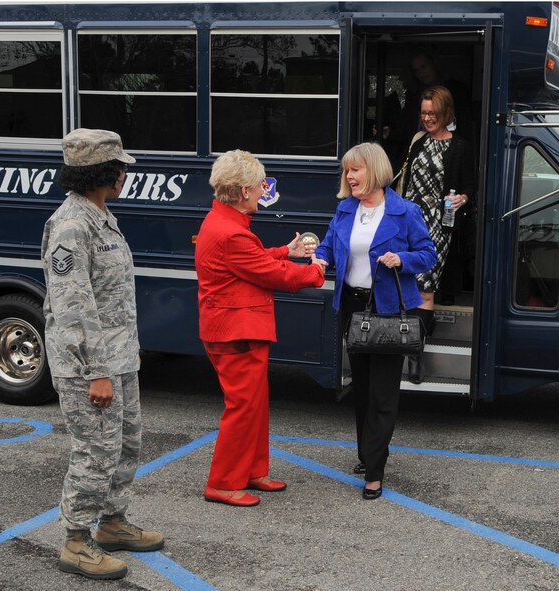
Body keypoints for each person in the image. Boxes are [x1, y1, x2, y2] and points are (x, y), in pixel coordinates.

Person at [42, 128, 164, 581]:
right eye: (120, 168)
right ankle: (76, 540)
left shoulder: (102, 216)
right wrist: (97, 371)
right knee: (96, 450)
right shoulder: (71, 225)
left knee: (126, 443)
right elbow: (74, 306)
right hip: (88, 366)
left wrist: (122, 360)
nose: (125, 175)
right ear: (104, 172)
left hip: (119, 359)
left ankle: (112, 523)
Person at [195, 149, 325, 507]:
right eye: (258, 186)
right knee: (242, 406)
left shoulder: (225, 224)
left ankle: (251, 472)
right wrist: (315, 271)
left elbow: (251, 262)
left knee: (254, 404)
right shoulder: (232, 233)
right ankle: (222, 483)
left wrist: (285, 250)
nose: (262, 191)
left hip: (236, 327)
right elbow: (270, 275)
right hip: (235, 331)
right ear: (241, 193)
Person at [312, 142, 436, 500]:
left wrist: (402, 259)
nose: (349, 176)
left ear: (376, 170)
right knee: (362, 388)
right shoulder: (345, 210)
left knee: (382, 392)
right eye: (347, 170)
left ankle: (375, 471)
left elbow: (428, 254)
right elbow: (328, 246)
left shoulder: (404, 211)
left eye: (355, 169)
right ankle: (368, 454)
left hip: (389, 309)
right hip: (354, 307)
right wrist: (319, 260)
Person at [395, 85, 476, 382]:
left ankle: (415, 358)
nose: (428, 118)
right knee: (407, 285)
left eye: (433, 113)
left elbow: (471, 186)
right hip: (409, 222)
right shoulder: (417, 141)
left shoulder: (461, 147)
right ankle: (420, 330)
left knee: (424, 288)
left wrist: (462, 198)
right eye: (424, 112)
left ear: (446, 113)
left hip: (439, 226)